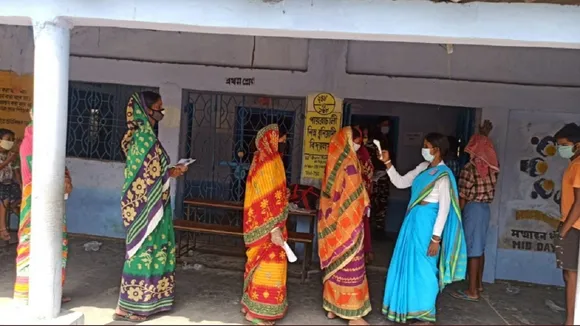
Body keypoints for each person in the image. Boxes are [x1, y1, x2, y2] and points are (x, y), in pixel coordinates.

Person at [113, 91, 188, 322]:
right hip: (148, 207)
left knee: (147, 251)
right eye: (158, 107)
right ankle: (136, 307)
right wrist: (171, 172)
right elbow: (147, 177)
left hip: (153, 203)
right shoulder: (144, 139)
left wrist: (172, 171)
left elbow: (154, 172)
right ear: (146, 110)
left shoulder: (142, 136)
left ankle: (133, 305)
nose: (161, 112)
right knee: (145, 251)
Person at [380, 133, 467, 324]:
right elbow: (400, 182)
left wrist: (436, 238)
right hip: (413, 221)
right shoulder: (422, 168)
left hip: (428, 225)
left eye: (426, 145)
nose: (424, 149)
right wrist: (388, 164)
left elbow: (444, 209)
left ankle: (425, 315)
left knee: (426, 269)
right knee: (409, 265)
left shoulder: (444, 175)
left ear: (436, 149)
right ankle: (411, 310)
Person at [13, 108, 73, 305]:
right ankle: (25, 293)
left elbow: (60, 168)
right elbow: (41, 175)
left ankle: (51, 291)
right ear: (31, 114)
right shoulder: (31, 142)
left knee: (55, 243)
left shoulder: (46, 140)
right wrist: (61, 180)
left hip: (49, 198)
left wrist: (65, 179)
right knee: (33, 243)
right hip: (37, 200)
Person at [318, 127, 371, 325]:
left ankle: (332, 307)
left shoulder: (333, 162)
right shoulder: (350, 164)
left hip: (331, 223)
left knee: (335, 262)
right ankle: (353, 314)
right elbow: (354, 194)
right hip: (349, 223)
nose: (359, 146)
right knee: (352, 264)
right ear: (350, 141)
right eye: (357, 142)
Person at [240, 124, 289, 325]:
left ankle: (252, 308)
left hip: (262, 223)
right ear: (272, 139)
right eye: (281, 138)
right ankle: (259, 313)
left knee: (260, 265)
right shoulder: (269, 161)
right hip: (269, 226)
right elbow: (266, 199)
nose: (284, 141)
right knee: (270, 265)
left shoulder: (260, 159)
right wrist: (274, 228)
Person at [451, 121, 499, 302]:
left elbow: (462, 196)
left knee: (473, 250)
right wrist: (484, 134)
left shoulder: (469, 169)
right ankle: (478, 284)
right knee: (479, 248)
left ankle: (472, 291)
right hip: (485, 210)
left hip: (472, 209)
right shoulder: (492, 168)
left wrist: (456, 216)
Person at [553, 123, 580, 325]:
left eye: (564, 144)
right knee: (568, 274)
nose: (560, 148)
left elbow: (579, 203)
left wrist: (564, 230)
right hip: (571, 225)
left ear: (577, 145)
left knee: (572, 275)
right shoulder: (574, 164)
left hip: (575, 227)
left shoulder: (579, 165)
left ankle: (570, 320)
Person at [353, 126, 374, 263]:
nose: (358, 144)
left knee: (361, 226)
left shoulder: (363, 154)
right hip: (347, 200)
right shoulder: (343, 154)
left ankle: (363, 253)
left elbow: (369, 173)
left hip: (360, 198)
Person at [0, 128, 21, 241]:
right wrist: (8, 160)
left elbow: (16, 171)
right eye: (8, 139)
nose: (10, 142)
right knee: (4, 197)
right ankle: (2, 229)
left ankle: (13, 207)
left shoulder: (10, 155)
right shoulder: (8, 157)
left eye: (12, 140)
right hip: (1, 184)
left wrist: (21, 184)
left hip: (8, 183)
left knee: (22, 194)